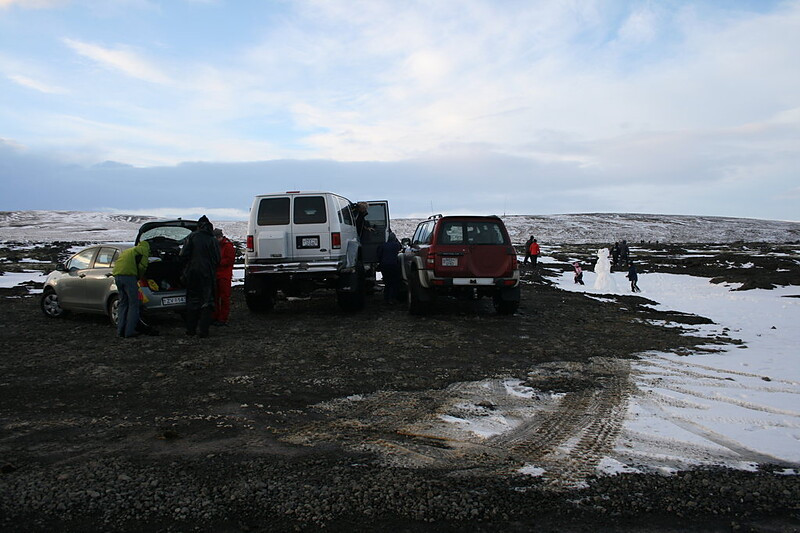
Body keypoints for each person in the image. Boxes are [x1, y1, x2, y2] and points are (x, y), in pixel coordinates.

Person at [180, 215, 220, 337]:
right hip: (208, 273)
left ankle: (190, 330)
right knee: (207, 302)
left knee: (192, 301)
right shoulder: (213, 240)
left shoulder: (192, 237)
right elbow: (217, 258)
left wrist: (185, 269)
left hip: (193, 272)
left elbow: (183, 255)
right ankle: (204, 331)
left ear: (199, 226)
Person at [112, 239, 150, 338]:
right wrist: (139, 277)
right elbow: (143, 266)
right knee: (134, 304)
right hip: (129, 277)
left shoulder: (130, 250)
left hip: (117, 276)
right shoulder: (144, 250)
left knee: (123, 303)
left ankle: (120, 331)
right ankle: (130, 331)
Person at [212, 227, 235, 326]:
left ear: (219, 237)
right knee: (215, 297)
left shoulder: (228, 246)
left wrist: (217, 263)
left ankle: (222, 318)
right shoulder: (217, 246)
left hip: (224, 275)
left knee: (224, 298)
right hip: (217, 275)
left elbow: (230, 260)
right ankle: (216, 317)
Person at [376, 232, 402, 303]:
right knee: (394, 282)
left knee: (387, 282)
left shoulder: (383, 245)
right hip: (393, 265)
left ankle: (386, 298)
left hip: (384, 266)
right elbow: (401, 247)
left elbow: (378, 255)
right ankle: (392, 298)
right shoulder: (396, 245)